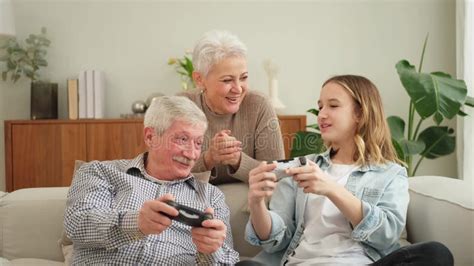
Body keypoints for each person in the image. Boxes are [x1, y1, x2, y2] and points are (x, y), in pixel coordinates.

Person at [243, 75, 454, 265]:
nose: (322, 114)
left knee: (436, 254)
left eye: (333, 106)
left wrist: (332, 189)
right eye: (320, 106)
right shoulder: (300, 167)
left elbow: (386, 235)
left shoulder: (390, 174)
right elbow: (275, 242)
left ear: (360, 113)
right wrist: (256, 202)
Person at [64, 96, 239, 265]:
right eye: (182, 139)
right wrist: (136, 223)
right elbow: (77, 224)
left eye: (198, 143)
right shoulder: (100, 172)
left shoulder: (211, 197)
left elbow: (229, 261)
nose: (192, 154)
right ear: (150, 137)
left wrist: (211, 251)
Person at [180, 30, 285, 185]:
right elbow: (167, 172)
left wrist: (237, 159)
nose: (238, 89)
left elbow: (277, 173)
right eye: (227, 80)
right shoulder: (182, 106)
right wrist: (209, 158)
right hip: (193, 197)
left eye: (243, 78)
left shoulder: (259, 105)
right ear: (200, 79)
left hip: (249, 198)